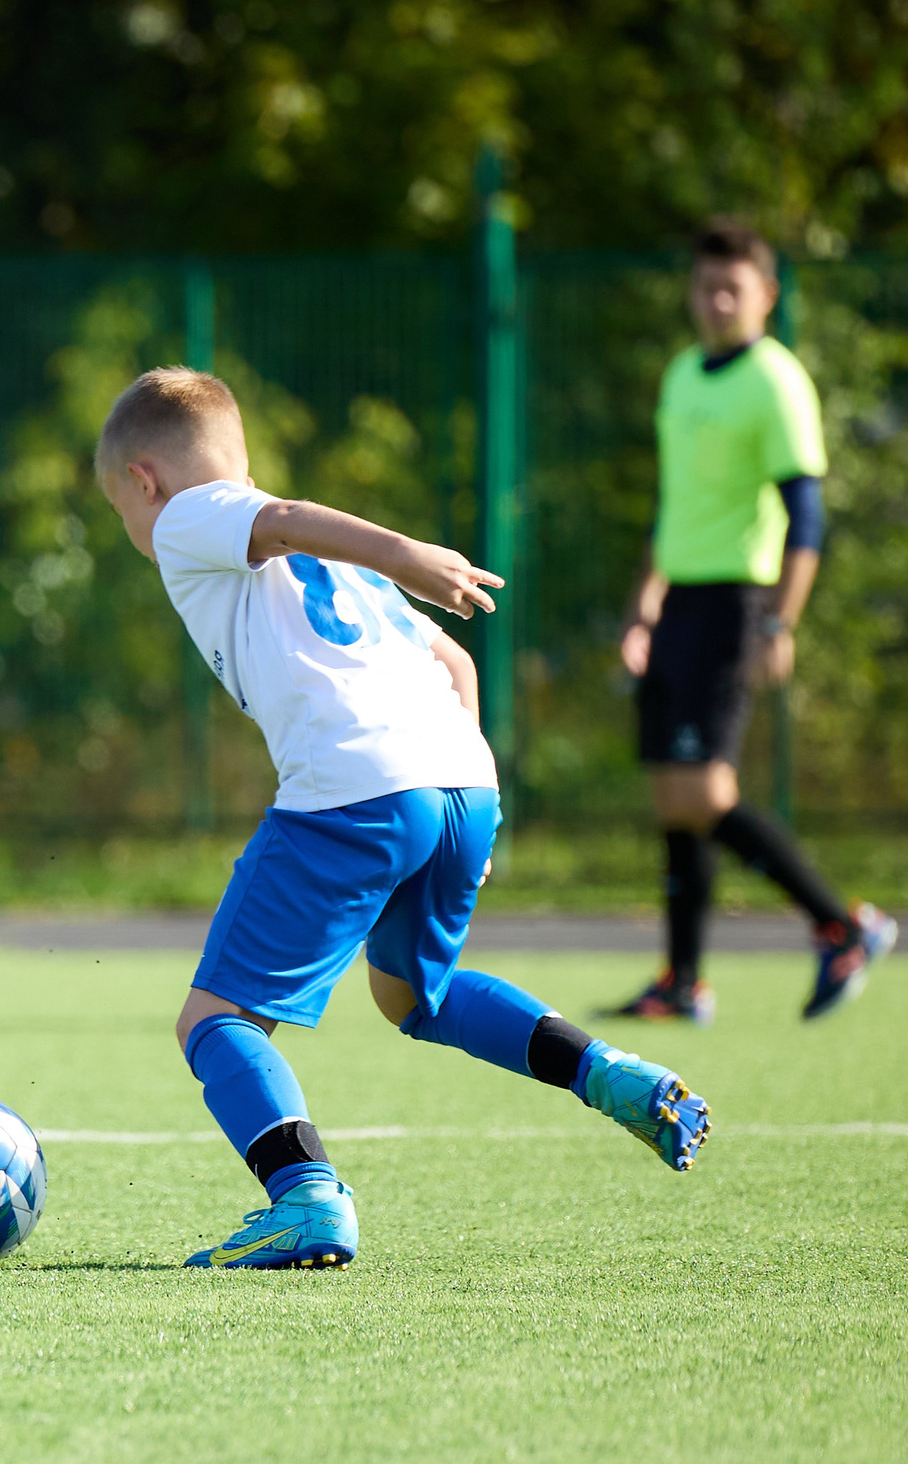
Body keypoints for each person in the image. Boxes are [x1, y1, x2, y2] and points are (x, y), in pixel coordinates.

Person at [96, 368, 709, 1271]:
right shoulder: (336, 568)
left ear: (144, 480)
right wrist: (461, 786)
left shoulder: (191, 516)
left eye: (120, 510)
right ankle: (610, 1073)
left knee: (215, 1020)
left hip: (356, 789)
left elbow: (284, 515)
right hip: (461, 782)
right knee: (411, 995)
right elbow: (454, 660)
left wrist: (409, 551)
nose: (133, 531)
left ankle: (306, 1198)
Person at [607, 218, 894, 1025]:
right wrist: (643, 607)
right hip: (679, 606)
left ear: (767, 295)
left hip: (738, 602)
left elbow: (806, 514)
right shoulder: (682, 376)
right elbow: (674, 506)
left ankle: (841, 925)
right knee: (673, 795)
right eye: (705, 284)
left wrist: (781, 622)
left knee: (705, 789)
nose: (717, 299)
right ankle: (683, 979)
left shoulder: (776, 380)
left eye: (733, 286)